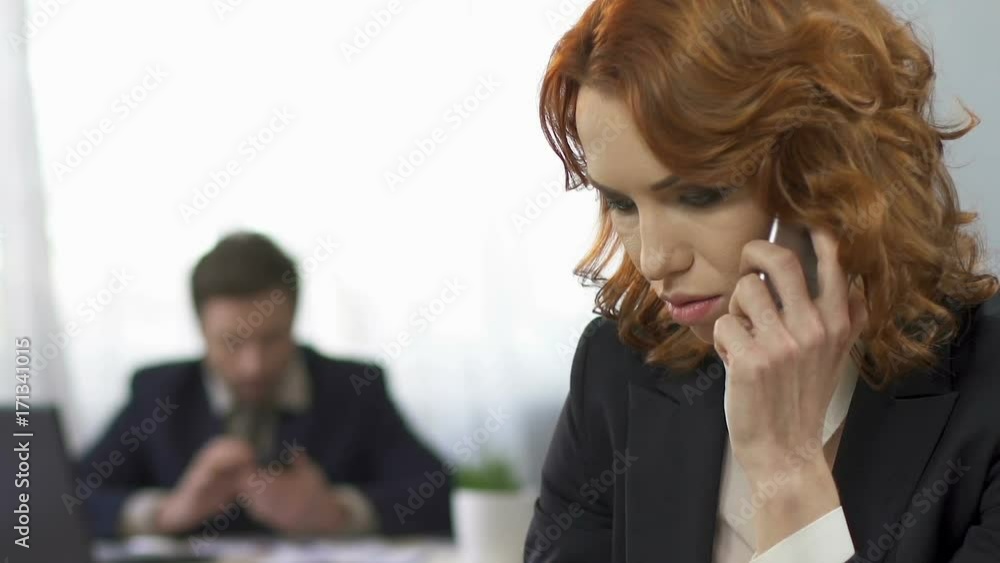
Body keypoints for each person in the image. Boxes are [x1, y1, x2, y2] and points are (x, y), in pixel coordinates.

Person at [525, 0, 1000, 561]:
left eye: (700, 194)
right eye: (622, 202)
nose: (655, 259)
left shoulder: (985, 392)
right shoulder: (614, 369)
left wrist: (788, 468)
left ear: (831, 170)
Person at [75, 232, 452, 540]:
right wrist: (166, 512)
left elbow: (438, 492)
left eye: (272, 339)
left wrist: (338, 512)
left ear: (294, 321)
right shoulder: (158, 392)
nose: (253, 366)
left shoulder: (355, 387)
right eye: (232, 342)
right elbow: (64, 499)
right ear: (201, 332)